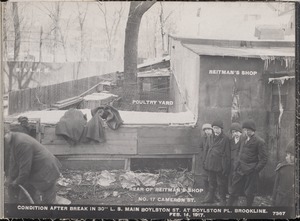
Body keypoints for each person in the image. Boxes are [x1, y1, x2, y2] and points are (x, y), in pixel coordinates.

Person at [4, 126, 62, 204]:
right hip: (35, 169)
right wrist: (10, 177)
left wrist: (16, 182)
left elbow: (25, 170)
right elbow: (13, 162)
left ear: (7, 133)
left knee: (48, 202)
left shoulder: (22, 143)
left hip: (47, 169)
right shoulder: (12, 140)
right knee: (25, 198)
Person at [227, 119, 268, 206]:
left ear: (253, 130)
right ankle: (228, 208)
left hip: (251, 170)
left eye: (248, 130)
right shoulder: (243, 139)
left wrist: (255, 169)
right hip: (240, 169)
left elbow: (264, 159)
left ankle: (248, 210)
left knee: (250, 192)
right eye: (245, 130)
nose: (246, 132)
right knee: (234, 189)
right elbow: (239, 152)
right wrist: (237, 165)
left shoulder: (259, 141)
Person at [202, 120, 230, 206]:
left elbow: (227, 154)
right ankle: (210, 198)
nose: (216, 130)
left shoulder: (225, 138)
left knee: (221, 183)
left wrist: (225, 166)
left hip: (219, 165)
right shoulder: (210, 137)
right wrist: (204, 161)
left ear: (221, 129)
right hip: (210, 163)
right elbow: (206, 149)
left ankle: (223, 200)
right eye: (214, 128)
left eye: (217, 128)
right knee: (211, 181)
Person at [272, 139, 295, 207]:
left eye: (291, 155)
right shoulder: (282, 168)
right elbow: (275, 186)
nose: (288, 157)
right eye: (287, 154)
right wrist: (273, 201)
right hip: (282, 200)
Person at [228, 122, 243, 193]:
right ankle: (231, 192)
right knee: (231, 177)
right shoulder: (230, 141)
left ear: (240, 132)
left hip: (241, 164)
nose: (235, 134)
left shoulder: (244, 141)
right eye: (233, 132)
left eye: (237, 132)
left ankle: (239, 192)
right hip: (232, 163)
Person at [199, 123, 213, 194]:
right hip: (204, 159)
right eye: (206, 130)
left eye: (209, 129)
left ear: (211, 130)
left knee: (212, 178)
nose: (207, 131)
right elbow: (200, 148)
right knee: (205, 177)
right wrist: (202, 157)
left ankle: (212, 193)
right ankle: (206, 192)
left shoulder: (214, 138)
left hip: (212, 160)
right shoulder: (203, 138)